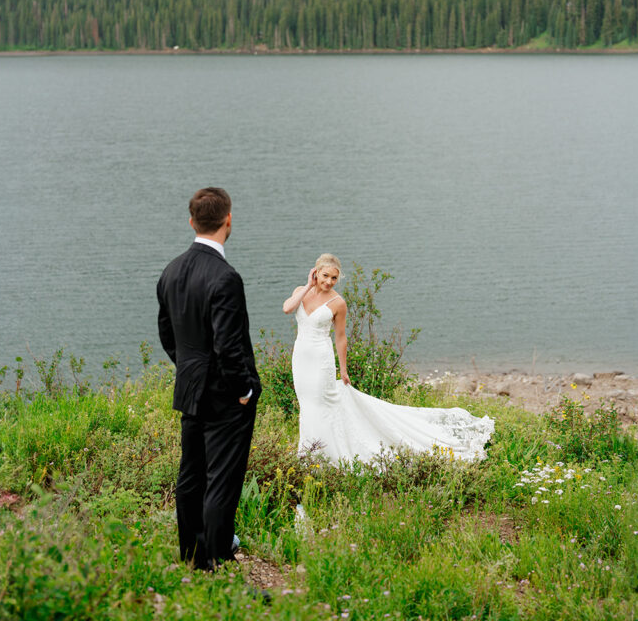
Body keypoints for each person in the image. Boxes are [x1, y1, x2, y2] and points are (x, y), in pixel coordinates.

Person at [283, 254, 494, 464]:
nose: (328, 281)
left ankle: (327, 454)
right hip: (301, 358)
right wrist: (307, 286)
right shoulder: (300, 293)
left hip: (321, 360)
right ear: (316, 272)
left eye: (334, 278)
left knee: (321, 403)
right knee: (307, 403)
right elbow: (287, 308)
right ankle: (308, 451)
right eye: (325, 276)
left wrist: (344, 370)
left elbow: (341, 339)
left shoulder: (338, 303)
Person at [157, 187, 261, 571]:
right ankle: (215, 558)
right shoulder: (225, 277)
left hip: (190, 388)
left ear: (191, 222)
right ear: (228, 220)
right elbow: (229, 347)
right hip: (225, 397)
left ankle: (192, 556)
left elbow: (168, 334)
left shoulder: (171, 270)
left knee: (191, 475)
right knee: (222, 479)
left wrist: (189, 369)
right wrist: (245, 390)